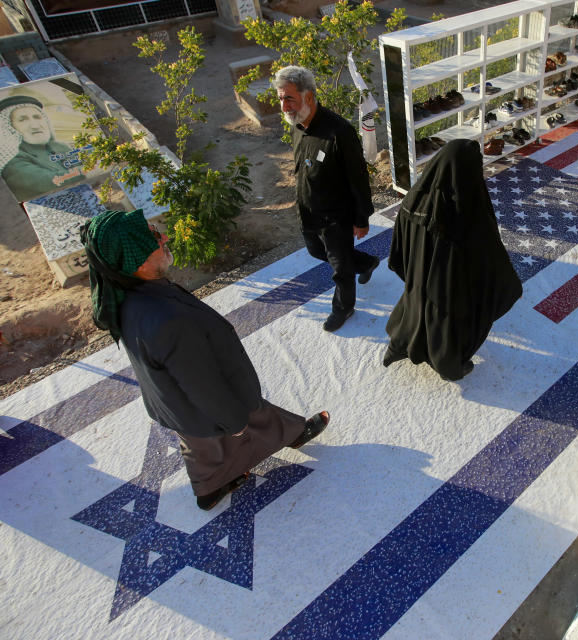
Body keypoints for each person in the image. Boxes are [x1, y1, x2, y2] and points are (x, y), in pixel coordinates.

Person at [80, 210, 330, 510]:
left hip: (173, 405)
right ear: (138, 262)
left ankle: (210, 490)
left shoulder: (123, 295)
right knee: (257, 418)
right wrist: (234, 421)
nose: (165, 238)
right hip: (209, 401)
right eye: (155, 239)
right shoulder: (166, 320)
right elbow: (203, 385)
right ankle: (294, 434)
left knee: (201, 448)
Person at [383, 139, 522, 381]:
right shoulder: (469, 214)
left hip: (417, 281)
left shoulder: (413, 200)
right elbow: (489, 258)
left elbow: (400, 244)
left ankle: (398, 345)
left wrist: (416, 271)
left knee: (414, 307)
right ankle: (448, 366)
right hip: (447, 291)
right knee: (446, 323)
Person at [273, 65, 380, 332]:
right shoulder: (297, 124)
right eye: (280, 98)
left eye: (289, 98)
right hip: (308, 210)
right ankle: (366, 262)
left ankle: (343, 308)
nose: (284, 106)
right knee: (315, 250)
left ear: (308, 96)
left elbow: (358, 178)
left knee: (340, 269)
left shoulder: (339, 132)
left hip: (336, 216)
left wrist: (361, 217)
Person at [0, 94, 84, 201]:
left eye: (37, 117)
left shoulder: (60, 146)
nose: (35, 125)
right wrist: (89, 170)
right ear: (11, 127)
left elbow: (83, 163)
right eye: (23, 120)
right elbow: (50, 182)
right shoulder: (12, 164)